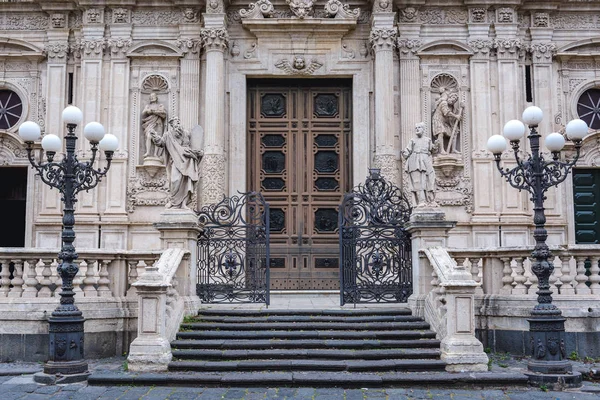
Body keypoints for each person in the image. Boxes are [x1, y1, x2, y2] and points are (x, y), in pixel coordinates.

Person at [151, 117, 203, 209]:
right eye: (176, 122)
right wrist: (155, 136)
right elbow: (161, 143)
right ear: (172, 125)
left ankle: (183, 203)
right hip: (175, 160)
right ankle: (174, 202)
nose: (178, 123)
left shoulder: (186, 133)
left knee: (187, 181)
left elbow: (192, 145)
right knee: (175, 180)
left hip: (187, 159)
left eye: (179, 121)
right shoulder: (168, 135)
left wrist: (198, 153)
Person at [402, 122, 437, 205]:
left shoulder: (428, 140)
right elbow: (407, 151)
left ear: (423, 129)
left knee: (430, 178)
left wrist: (436, 146)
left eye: (419, 127)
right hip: (415, 160)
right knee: (418, 182)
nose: (417, 129)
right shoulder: (413, 140)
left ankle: (431, 199)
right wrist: (403, 153)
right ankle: (421, 201)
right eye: (416, 128)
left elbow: (433, 150)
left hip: (425, 160)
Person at [431, 89, 461, 154]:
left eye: (455, 100)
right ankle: (441, 150)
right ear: (449, 97)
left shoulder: (452, 107)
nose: (453, 100)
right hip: (438, 120)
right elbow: (446, 112)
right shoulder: (444, 103)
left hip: (444, 122)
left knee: (454, 132)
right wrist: (456, 116)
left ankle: (453, 149)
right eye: (453, 98)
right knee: (441, 132)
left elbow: (455, 114)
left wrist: (462, 107)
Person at [141, 92, 167, 159]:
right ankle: (148, 152)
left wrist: (153, 111)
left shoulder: (160, 105)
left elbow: (164, 114)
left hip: (158, 123)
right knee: (149, 136)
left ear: (156, 97)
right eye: (151, 96)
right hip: (150, 123)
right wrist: (147, 110)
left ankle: (156, 154)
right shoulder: (148, 106)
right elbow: (143, 114)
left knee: (157, 138)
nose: (152, 97)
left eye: (153, 96)